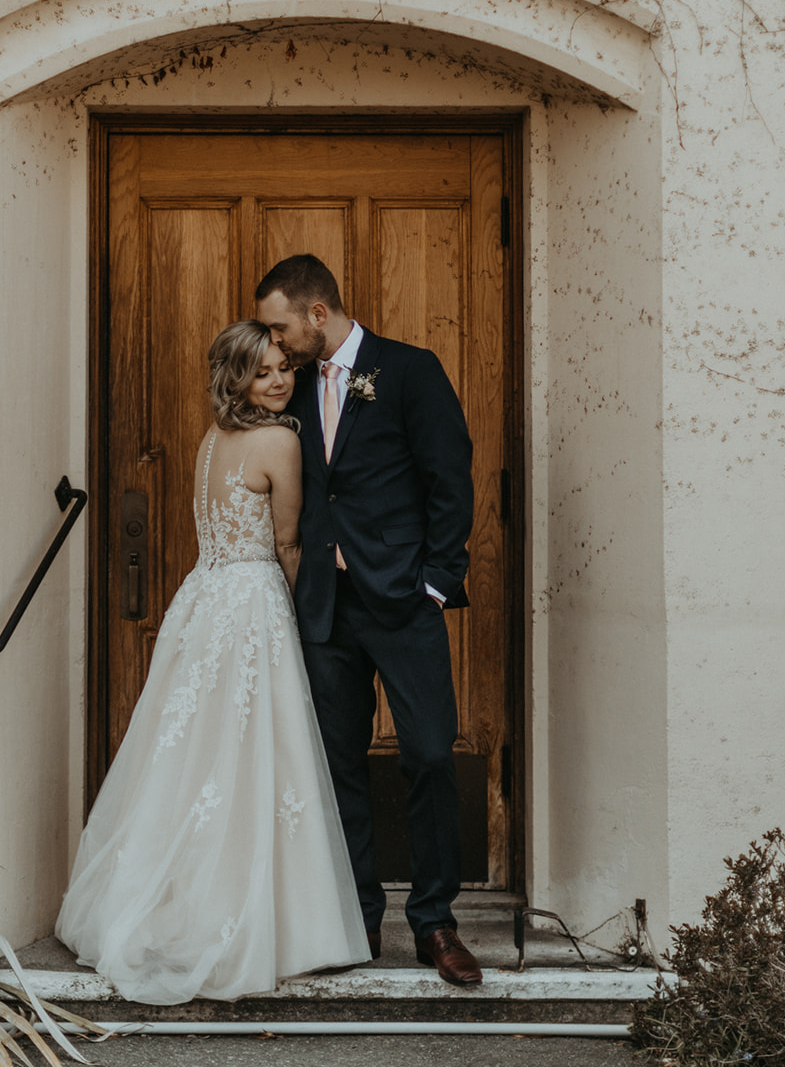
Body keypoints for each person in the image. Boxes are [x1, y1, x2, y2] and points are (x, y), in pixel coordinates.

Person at [56, 320, 369, 1003]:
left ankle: (178, 898)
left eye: (283, 366)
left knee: (193, 754)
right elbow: (287, 543)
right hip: (253, 601)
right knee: (257, 750)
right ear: (237, 380)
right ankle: (268, 920)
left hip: (203, 599)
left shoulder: (212, 441)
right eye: (263, 372)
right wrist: (307, 618)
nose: (281, 379)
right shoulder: (279, 440)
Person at [256, 255, 483, 987]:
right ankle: (355, 916)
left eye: (280, 325)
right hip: (323, 604)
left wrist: (435, 582)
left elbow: (449, 474)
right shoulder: (285, 387)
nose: (275, 342)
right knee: (336, 764)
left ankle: (434, 920)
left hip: (402, 602)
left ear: (317, 315)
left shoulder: (409, 371)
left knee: (427, 755)